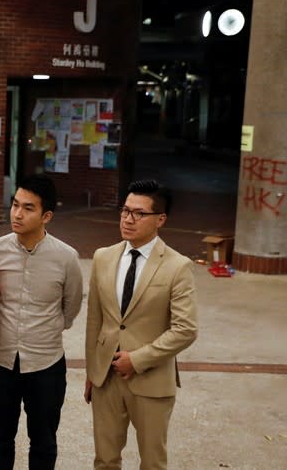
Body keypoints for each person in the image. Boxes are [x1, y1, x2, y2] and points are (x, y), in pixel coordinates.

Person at [84, 179, 198, 469]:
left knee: (152, 462)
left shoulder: (177, 265)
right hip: (106, 378)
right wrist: (92, 370)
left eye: (138, 213)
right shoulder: (103, 257)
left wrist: (138, 359)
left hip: (151, 380)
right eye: (124, 211)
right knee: (105, 460)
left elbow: (186, 329)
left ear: (160, 219)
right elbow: (95, 319)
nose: (127, 219)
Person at [0, 174, 83, 469]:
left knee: (44, 442)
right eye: (15, 205)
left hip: (46, 365)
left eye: (28, 208)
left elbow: (71, 307)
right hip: (1, 364)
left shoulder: (66, 258)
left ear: (46, 216)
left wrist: (45, 331)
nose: (17, 213)